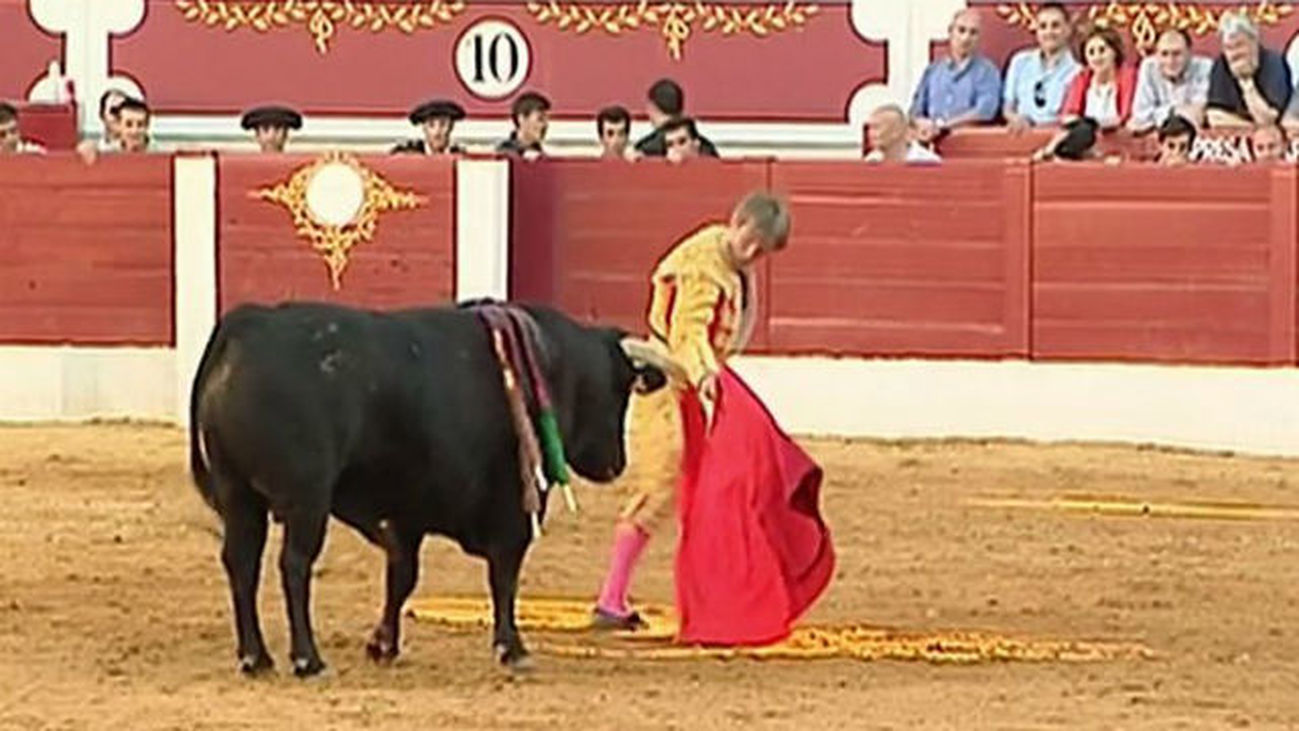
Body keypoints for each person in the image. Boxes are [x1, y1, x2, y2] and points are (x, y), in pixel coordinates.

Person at [591, 192, 834, 645]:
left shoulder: (732, 264)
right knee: (662, 487)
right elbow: (688, 331)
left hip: (694, 383)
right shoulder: (703, 265)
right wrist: (705, 375)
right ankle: (611, 599)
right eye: (753, 244)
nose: (755, 255)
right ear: (737, 221)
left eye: (763, 252)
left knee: (719, 487)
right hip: (667, 381)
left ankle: (671, 594)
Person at [392, 99, 465, 155]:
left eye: (443, 124)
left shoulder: (460, 157)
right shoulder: (408, 154)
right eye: (431, 125)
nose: (437, 132)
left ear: (451, 127)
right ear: (424, 128)